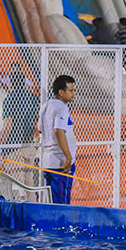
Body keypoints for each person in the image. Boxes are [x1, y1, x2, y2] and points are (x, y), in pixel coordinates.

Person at [0, 68, 40, 187]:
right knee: (29, 182)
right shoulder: (33, 98)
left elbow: (8, 125)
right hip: (29, 143)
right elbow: (37, 123)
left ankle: (19, 199)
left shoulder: (10, 99)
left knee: (16, 182)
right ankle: (31, 199)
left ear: (11, 84)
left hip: (13, 146)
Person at [39, 75, 77, 204]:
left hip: (48, 161)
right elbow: (59, 131)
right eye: (70, 90)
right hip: (60, 162)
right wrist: (68, 157)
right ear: (61, 92)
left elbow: (39, 129)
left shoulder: (45, 106)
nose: (73, 93)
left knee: (51, 201)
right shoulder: (61, 107)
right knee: (62, 203)